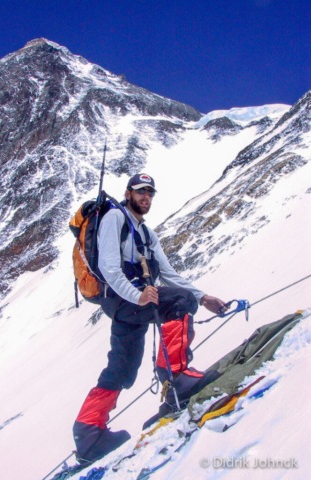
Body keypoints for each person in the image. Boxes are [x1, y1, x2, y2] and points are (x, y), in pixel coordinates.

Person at [73, 173, 228, 465]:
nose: (146, 196)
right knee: (177, 302)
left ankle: (88, 431)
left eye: (150, 193)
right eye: (140, 191)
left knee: (123, 367)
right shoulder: (114, 219)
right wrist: (139, 296)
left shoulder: (146, 233)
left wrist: (203, 297)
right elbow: (108, 268)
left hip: (129, 303)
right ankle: (176, 380)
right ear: (128, 193)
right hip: (122, 299)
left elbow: (168, 274)